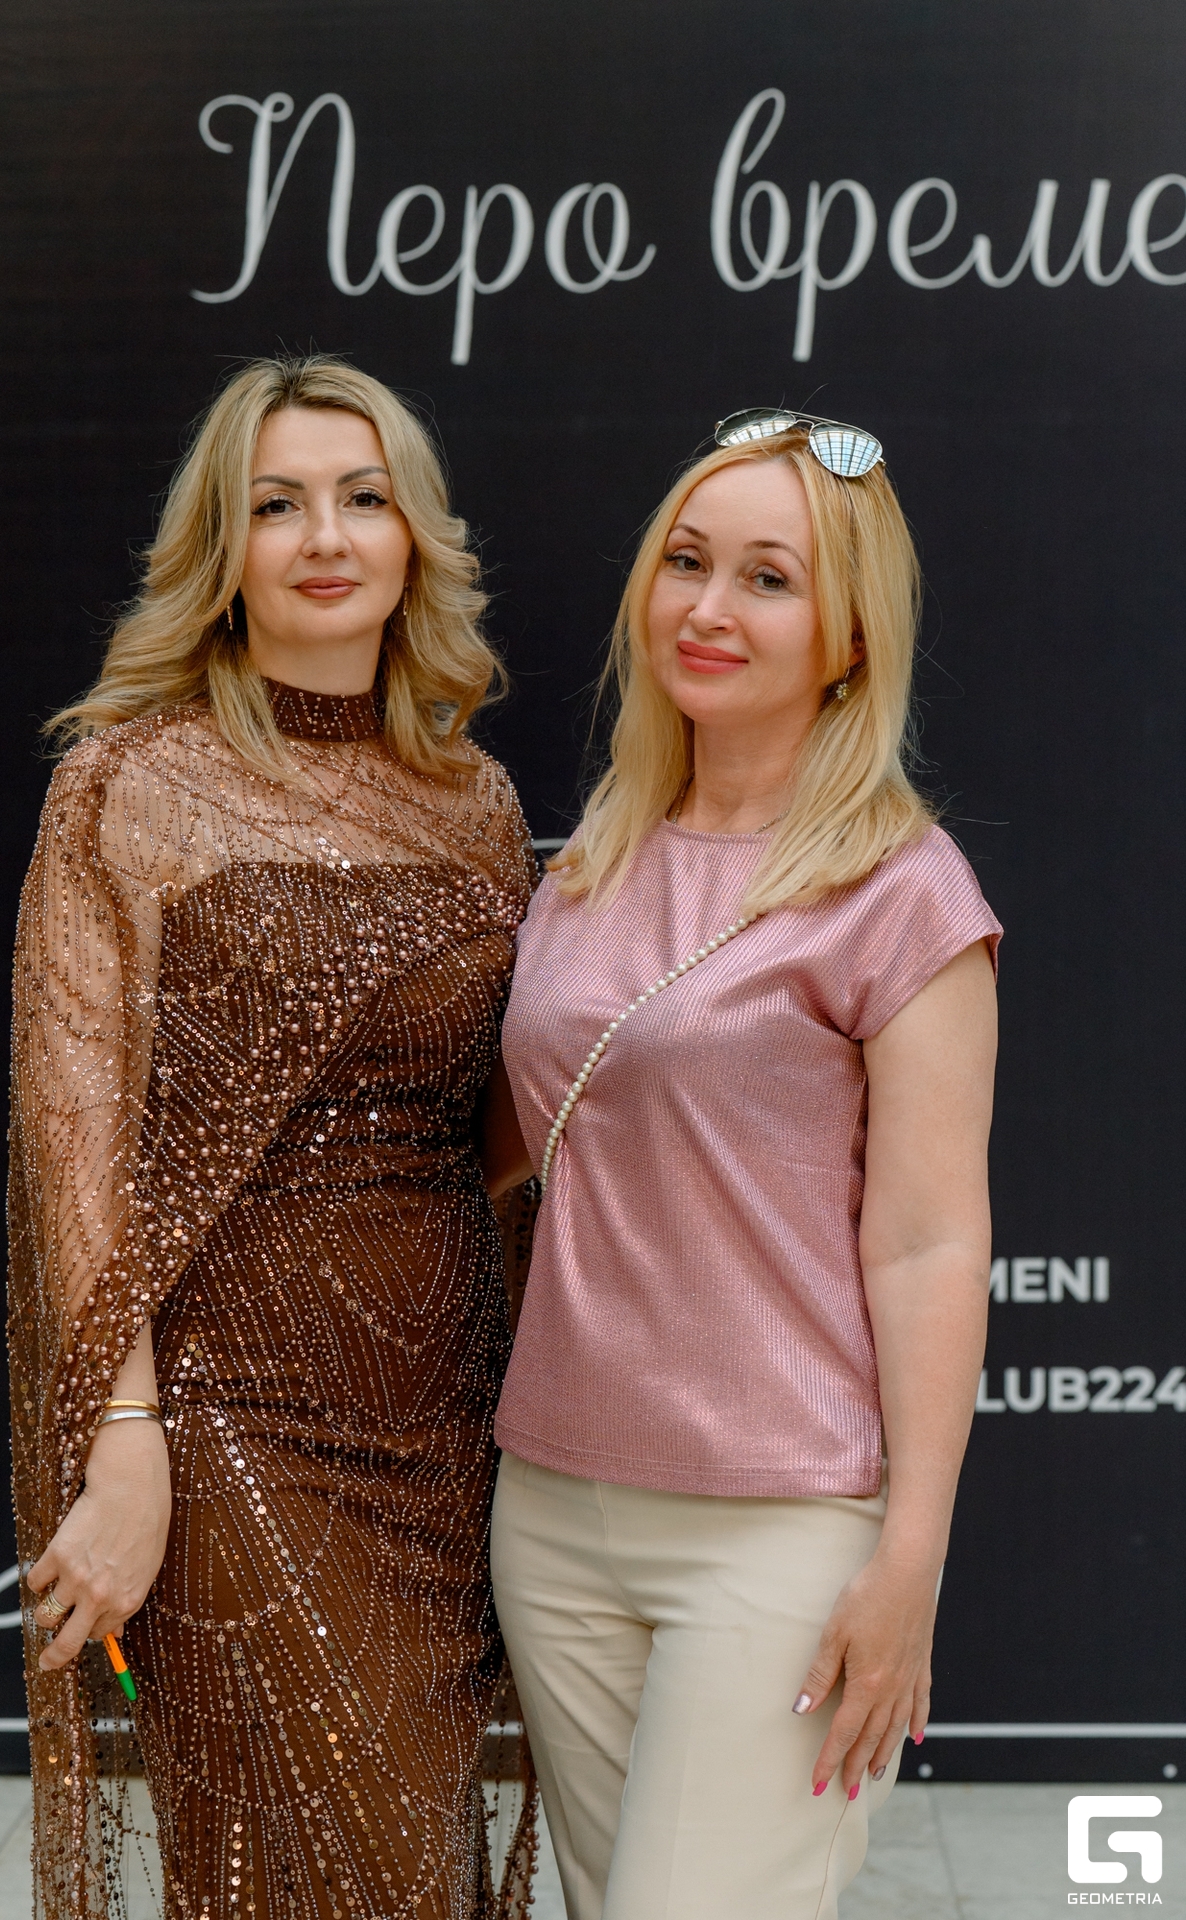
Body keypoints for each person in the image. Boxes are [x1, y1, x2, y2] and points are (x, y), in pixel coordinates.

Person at [9, 355, 537, 1920]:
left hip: (445, 1419)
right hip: (223, 1417)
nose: (325, 535)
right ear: (220, 551)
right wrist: (124, 1440)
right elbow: (78, 1143)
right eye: (277, 504)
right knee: (301, 1864)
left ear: (413, 535)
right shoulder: (126, 785)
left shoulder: (476, 804)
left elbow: (508, 1127)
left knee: (414, 1864)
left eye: (362, 497)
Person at [481, 410, 1001, 1919]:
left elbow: (928, 1243)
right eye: (687, 563)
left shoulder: (900, 893)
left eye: (768, 579)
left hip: (779, 1529)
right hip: (555, 1509)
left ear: (849, 636)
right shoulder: (589, 862)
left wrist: (910, 1562)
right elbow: (502, 1142)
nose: (708, 609)